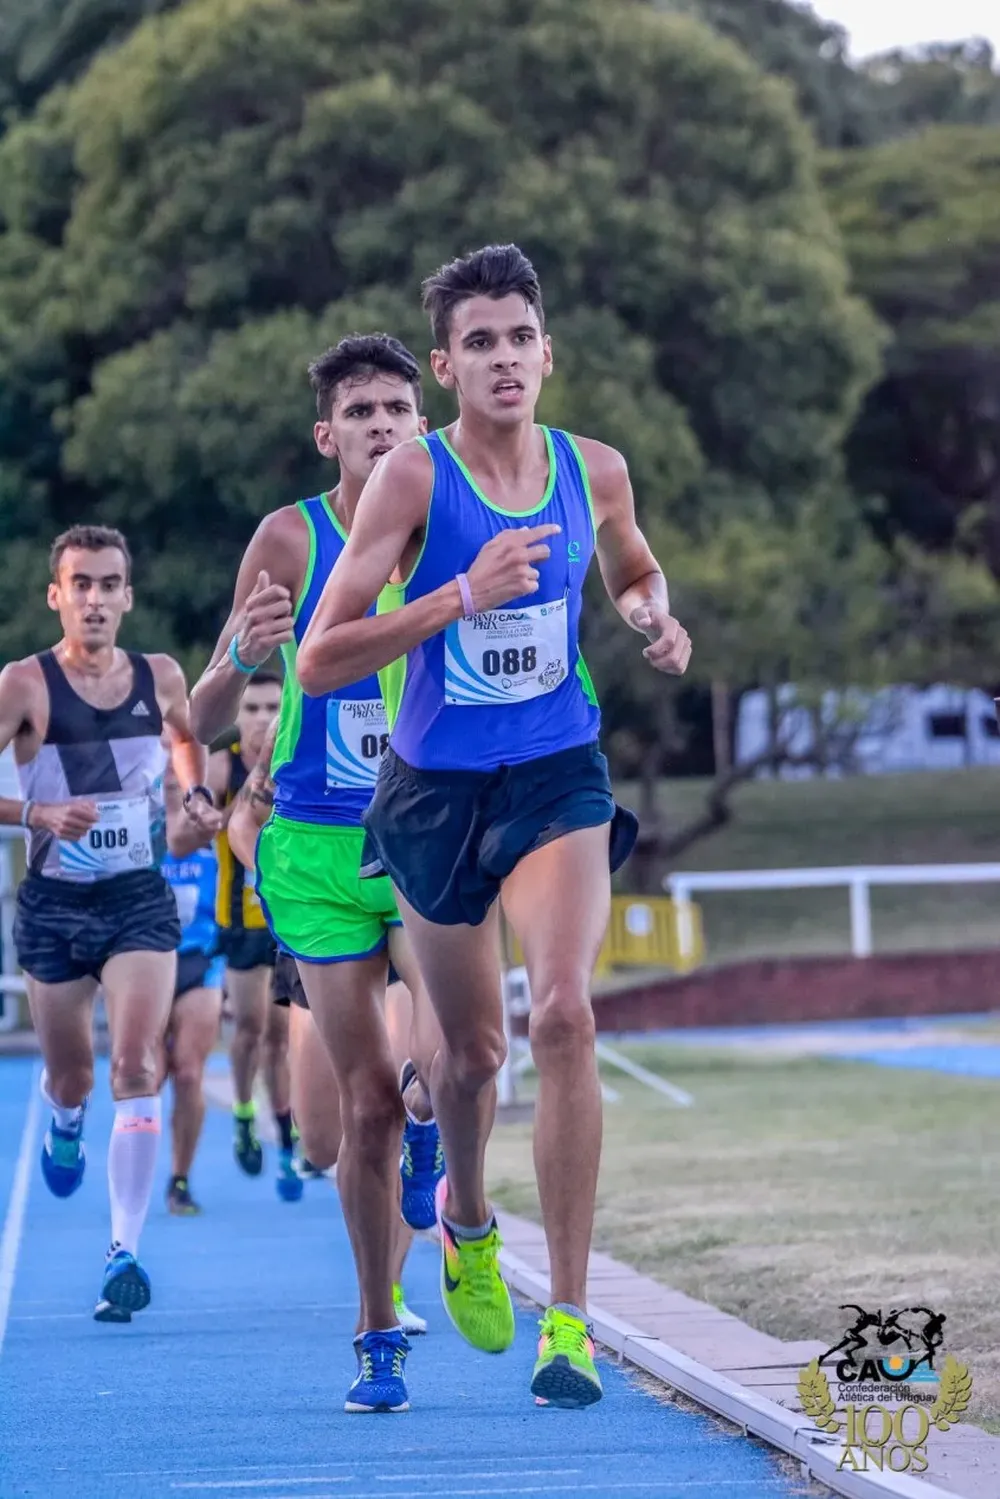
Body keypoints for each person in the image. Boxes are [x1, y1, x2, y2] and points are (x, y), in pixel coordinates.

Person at [296, 246, 693, 1409]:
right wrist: (459, 595)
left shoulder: (595, 469)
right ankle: (466, 1213)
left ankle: (566, 1319)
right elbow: (320, 658)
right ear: (447, 365)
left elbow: (631, 569)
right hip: (431, 794)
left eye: (520, 336)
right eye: (480, 342)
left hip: (556, 772)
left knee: (564, 1011)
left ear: (547, 351)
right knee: (466, 1058)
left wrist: (650, 616)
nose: (504, 358)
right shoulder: (411, 483)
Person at [190, 333, 445, 1413]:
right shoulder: (289, 538)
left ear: (420, 421)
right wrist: (244, 657)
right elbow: (199, 716)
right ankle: (375, 1325)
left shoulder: (458, 524)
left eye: (398, 407)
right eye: (362, 411)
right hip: (314, 847)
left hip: (432, 830)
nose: (382, 425)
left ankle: (441, 1140)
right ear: (326, 432)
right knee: (360, 1111)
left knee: (451, 1064)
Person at [0, 524, 220, 1321]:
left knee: (135, 1065)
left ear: (128, 595)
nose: (95, 598)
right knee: (73, 1076)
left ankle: (122, 1250)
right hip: (55, 908)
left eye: (109, 584)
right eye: (80, 584)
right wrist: (36, 810)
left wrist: (193, 793)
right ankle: (65, 1120)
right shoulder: (23, 684)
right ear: (56, 595)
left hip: (136, 900)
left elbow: (188, 738)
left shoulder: (160, 674)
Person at [227, 738, 430, 1340]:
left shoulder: (409, 679)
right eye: (255, 708)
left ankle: (385, 1296)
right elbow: (242, 819)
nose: (263, 714)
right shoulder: (286, 733)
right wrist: (269, 870)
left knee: (389, 1100)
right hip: (317, 917)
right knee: (320, 1142)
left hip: (401, 897)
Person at [202, 673, 301, 1200]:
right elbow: (197, 821)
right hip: (239, 920)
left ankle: (286, 1140)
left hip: (290, 919)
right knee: (249, 1029)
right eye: (254, 707)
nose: (264, 717)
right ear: (239, 718)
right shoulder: (223, 765)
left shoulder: (296, 753)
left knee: (281, 1037)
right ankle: (243, 1111)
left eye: (273, 706)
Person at [159, 772, 225, 1216]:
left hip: (201, 957)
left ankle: (180, 1178)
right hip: (145, 956)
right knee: (147, 1074)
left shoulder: (210, 816)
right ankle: (134, 1164)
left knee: (188, 1073)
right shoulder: (139, 821)